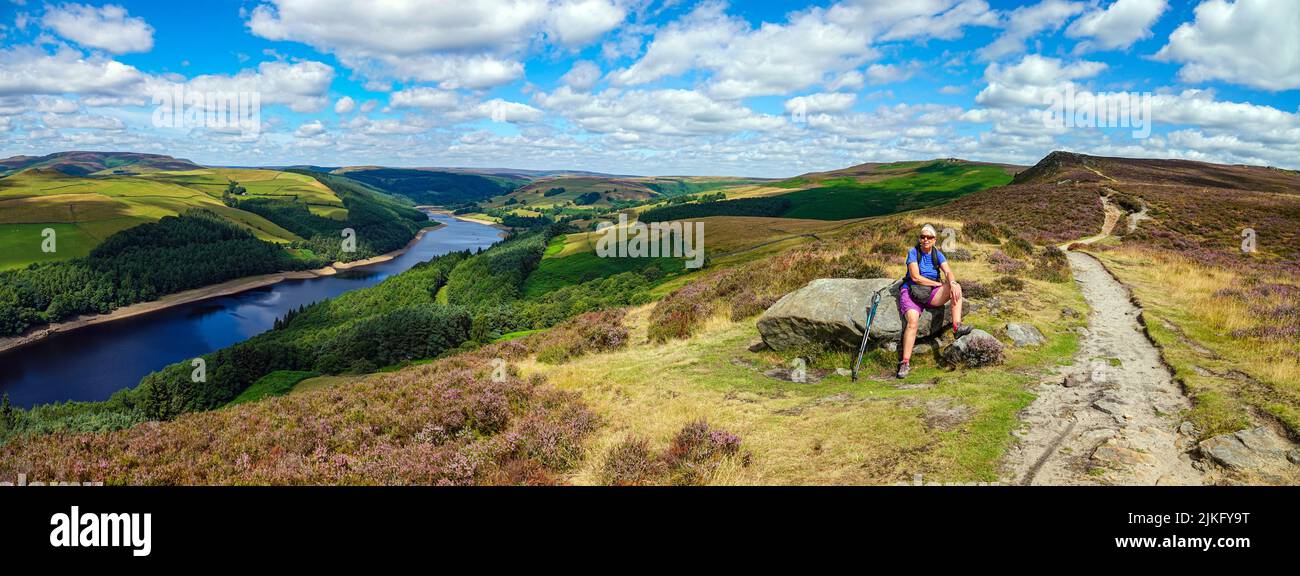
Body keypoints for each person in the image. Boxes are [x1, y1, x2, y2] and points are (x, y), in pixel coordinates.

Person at [896, 224, 971, 378]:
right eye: (922, 237)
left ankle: (957, 328)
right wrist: (938, 284)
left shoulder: (938, 254)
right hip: (911, 292)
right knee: (912, 323)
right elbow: (915, 277)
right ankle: (905, 362)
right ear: (919, 238)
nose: (925, 240)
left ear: (934, 240)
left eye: (929, 237)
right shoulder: (913, 252)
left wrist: (953, 283)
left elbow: (948, 271)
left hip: (930, 294)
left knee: (956, 289)